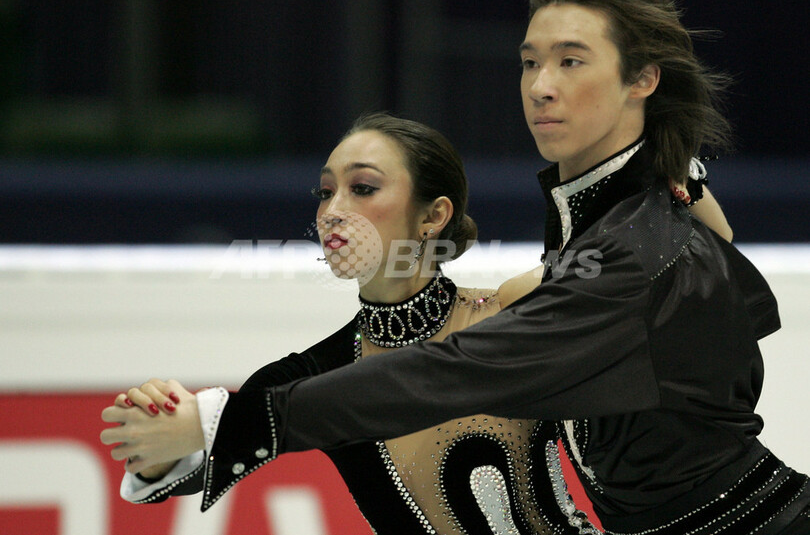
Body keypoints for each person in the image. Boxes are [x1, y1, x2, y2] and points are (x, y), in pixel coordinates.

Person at [101, 109, 733, 535]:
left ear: (433, 216)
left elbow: (684, 255)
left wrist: (671, 165)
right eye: (326, 192)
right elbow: (174, 478)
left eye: (363, 188)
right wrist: (155, 440)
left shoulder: (516, 312)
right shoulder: (317, 375)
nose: (333, 211)